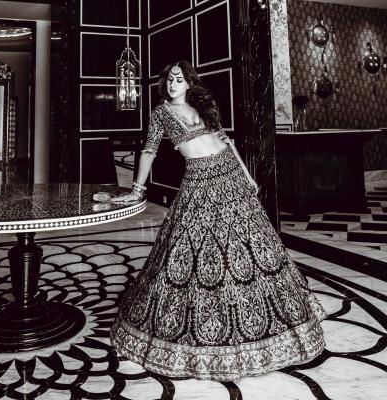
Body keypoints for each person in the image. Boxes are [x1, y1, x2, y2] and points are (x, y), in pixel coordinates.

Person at [110, 60, 327, 381]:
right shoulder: (162, 113)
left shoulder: (202, 108)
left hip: (230, 174)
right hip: (198, 179)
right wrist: (137, 188)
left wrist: (247, 176)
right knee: (194, 249)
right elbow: (149, 151)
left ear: (189, 83)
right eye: (169, 80)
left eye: (179, 79)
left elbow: (226, 142)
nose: (173, 84)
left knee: (248, 246)